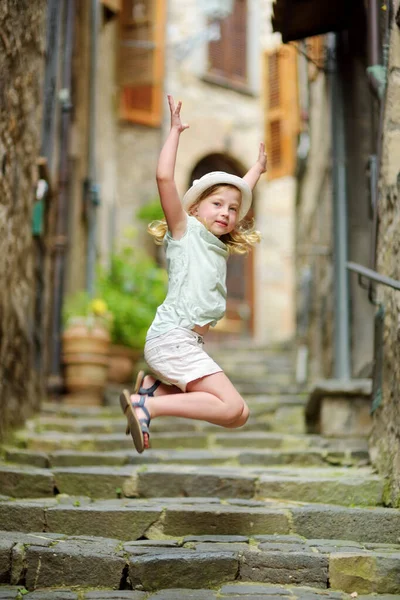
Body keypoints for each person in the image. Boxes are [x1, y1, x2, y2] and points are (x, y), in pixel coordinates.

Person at [120, 95, 267, 453]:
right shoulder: (185, 232)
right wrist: (174, 131)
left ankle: (155, 390)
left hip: (183, 344)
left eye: (233, 209)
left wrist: (256, 172)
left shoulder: (217, 243)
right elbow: (163, 177)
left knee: (239, 413)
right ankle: (146, 405)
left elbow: (236, 196)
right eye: (216, 205)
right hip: (172, 339)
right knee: (230, 406)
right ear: (195, 208)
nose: (226, 213)